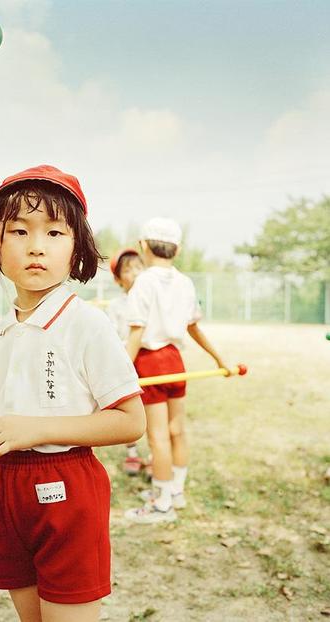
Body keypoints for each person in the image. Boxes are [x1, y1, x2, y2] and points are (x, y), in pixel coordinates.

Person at [0, 165, 146, 622]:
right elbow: (0, 423)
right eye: (18, 230)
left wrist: (35, 430)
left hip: (67, 491)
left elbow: (131, 421)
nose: (36, 245)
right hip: (2, 490)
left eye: (55, 232)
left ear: (77, 250)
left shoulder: (87, 324)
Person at [124, 217, 231, 524]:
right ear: (178, 250)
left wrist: (119, 375)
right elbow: (194, 328)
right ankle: (175, 491)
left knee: (157, 437)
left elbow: (135, 335)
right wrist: (219, 360)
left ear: (143, 245)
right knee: (176, 430)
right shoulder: (185, 281)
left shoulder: (143, 281)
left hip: (151, 362)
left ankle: (161, 504)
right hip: (175, 361)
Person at [107, 249, 145, 475]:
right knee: (128, 409)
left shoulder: (150, 300)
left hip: (147, 361)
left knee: (152, 412)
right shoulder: (116, 306)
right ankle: (132, 453)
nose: (135, 273)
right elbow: (112, 338)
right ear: (118, 279)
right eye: (128, 270)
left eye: (139, 267)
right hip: (126, 362)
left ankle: (154, 456)